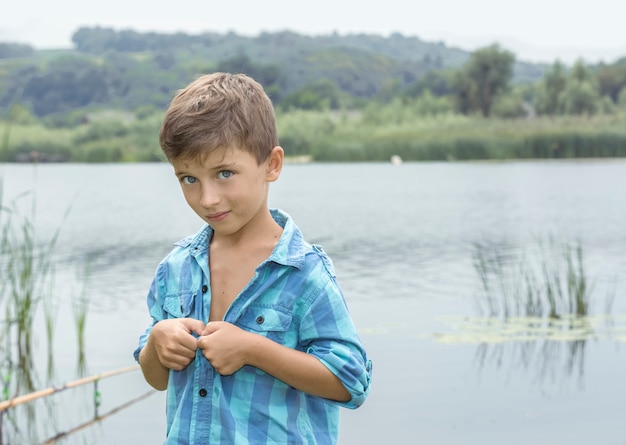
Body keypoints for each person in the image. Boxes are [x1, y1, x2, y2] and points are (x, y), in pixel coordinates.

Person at [133, 72, 372, 444]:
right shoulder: (175, 269)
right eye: (188, 179)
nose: (207, 198)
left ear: (271, 165)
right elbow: (157, 378)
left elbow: (350, 382)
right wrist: (157, 343)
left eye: (224, 173)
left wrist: (252, 349)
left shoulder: (303, 273)